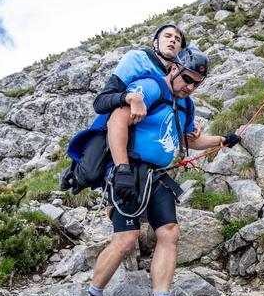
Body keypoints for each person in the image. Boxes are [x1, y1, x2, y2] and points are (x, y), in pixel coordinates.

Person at [87, 47, 241, 296]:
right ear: (174, 69)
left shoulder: (186, 105)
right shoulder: (150, 86)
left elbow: (189, 141)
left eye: (196, 83)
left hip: (157, 175)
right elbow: (117, 120)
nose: (190, 86)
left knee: (170, 233)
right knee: (126, 239)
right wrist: (121, 168)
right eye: (187, 78)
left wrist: (223, 140)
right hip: (129, 170)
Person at [61, 23, 192, 192]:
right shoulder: (136, 59)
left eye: (178, 39)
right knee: (91, 174)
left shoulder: (177, 77)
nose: (173, 40)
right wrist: (129, 97)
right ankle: (74, 175)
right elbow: (100, 102)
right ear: (155, 43)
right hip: (115, 124)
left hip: (145, 132)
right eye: (167, 36)